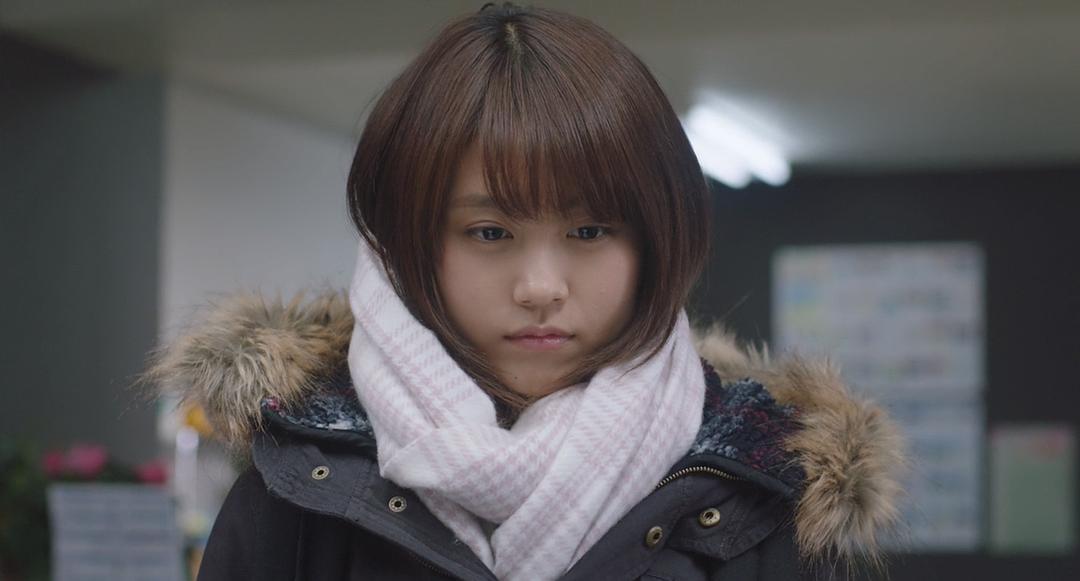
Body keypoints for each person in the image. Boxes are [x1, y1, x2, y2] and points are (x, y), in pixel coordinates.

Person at [145, 3, 904, 579]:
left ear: (657, 241)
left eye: (589, 231)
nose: (541, 288)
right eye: (489, 233)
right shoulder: (298, 487)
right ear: (407, 247)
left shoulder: (766, 494)